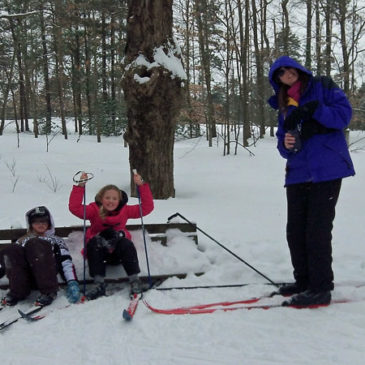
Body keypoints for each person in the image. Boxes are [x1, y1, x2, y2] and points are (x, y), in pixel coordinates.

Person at [267, 55, 355, 306]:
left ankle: (320, 287)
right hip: (297, 172)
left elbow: (343, 117)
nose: (287, 73)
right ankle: (304, 280)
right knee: (295, 231)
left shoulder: (322, 86)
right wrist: (286, 144)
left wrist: (315, 109)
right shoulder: (284, 103)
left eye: (290, 69)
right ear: (278, 79)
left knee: (317, 229)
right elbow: (282, 143)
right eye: (281, 72)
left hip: (327, 169)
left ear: (298, 69)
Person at [68, 171, 154, 300]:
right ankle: (99, 284)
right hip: (98, 253)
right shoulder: (94, 210)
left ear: (119, 200)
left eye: (114, 198)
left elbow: (147, 208)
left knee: (126, 243)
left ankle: (135, 281)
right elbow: (75, 208)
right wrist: (80, 186)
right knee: (95, 242)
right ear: (101, 198)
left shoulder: (125, 210)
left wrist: (141, 185)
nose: (111, 201)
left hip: (119, 252)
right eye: (107, 198)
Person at [0, 206, 81, 307]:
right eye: (36, 222)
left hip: (46, 276)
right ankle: (17, 292)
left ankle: (49, 292)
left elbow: (65, 261)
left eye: (44, 221)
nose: (41, 224)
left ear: (49, 223)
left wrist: (72, 281)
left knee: (35, 243)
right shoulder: (22, 240)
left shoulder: (56, 240)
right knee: (11, 249)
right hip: (25, 278)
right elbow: (9, 262)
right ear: (31, 224)